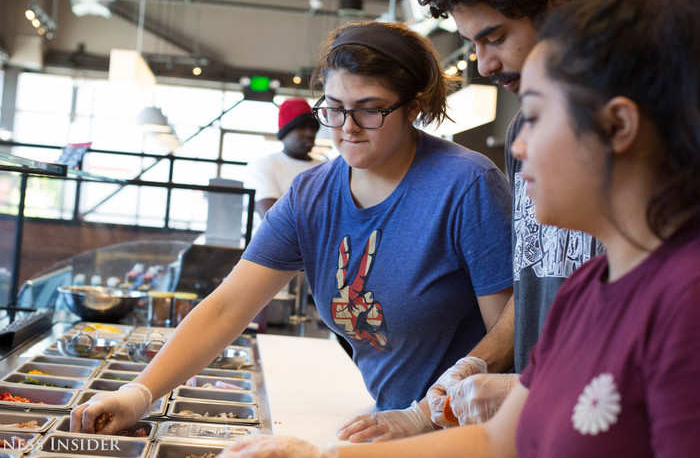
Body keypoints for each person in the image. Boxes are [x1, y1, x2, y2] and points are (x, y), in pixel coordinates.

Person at [223, 0, 700, 455]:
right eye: (335, 110)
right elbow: (500, 439)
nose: (515, 146)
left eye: (537, 116)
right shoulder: (586, 289)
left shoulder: (681, 300)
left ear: (618, 125)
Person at [70, 21, 513, 434]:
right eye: (335, 109)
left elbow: (509, 334)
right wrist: (139, 393)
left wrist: (424, 415)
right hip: (390, 425)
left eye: (370, 111)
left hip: (472, 432)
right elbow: (227, 307)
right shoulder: (311, 195)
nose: (348, 128)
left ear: (413, 107)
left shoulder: (464, 185)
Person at [339, 0, 603, 440]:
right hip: (538, 430)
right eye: (473, 43)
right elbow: (534, 288)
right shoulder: (524, 131)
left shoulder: (637, 140)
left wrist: (534, 387)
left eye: (495, 37)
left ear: (561, 8)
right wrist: (449, 387)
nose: (483, 64)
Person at [246, 98, 323, 218]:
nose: (310, 133)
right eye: (301, 127)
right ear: (285, 133)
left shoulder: (325, 167)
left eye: (313, 128)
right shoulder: (265, 164)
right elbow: (272, 220)